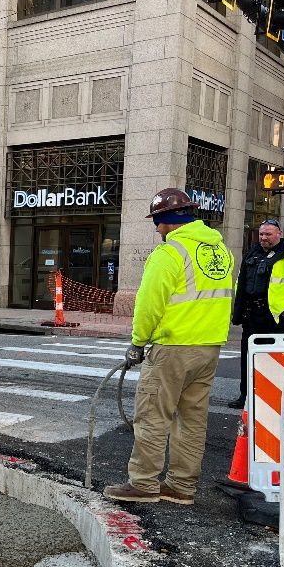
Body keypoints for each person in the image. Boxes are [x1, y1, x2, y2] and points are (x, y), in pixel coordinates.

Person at [104, 188, 234, 506]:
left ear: (168, 222)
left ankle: (145, 484)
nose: (157, 230)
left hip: (173, 347)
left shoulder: (169, 254)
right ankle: (181, 486)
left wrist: (137, 343)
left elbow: (149, 305)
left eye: (158, 224)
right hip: (209, 346)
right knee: (191, 419)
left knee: (152, 415)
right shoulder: (222, 253)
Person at [228, 218, 284, 409]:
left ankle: (274, 396)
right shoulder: (253, 253)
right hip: (252, 315)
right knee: (248, 357)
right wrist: (239, 308)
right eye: (261, 234)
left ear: (280, 234)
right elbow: (241, 282)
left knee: (275, 359)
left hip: (278, 318)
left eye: (268, 234)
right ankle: (246, 396)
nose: (264, 238)